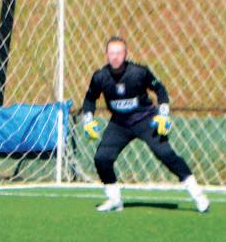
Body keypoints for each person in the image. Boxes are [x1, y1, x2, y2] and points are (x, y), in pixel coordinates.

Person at [80, 37, 210, 214]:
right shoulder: (100, 76)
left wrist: (163, 113)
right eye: (111, 53)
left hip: (145, 119)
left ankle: (197, 194)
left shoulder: (139, 72)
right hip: (119, 123)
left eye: (119, 53)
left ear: (126, 54)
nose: (115, 57)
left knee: (165, 154)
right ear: (106, 55)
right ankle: (114, 199)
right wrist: (88, 118)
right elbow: (89, 99)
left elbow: (160, 90)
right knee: (102, 158)